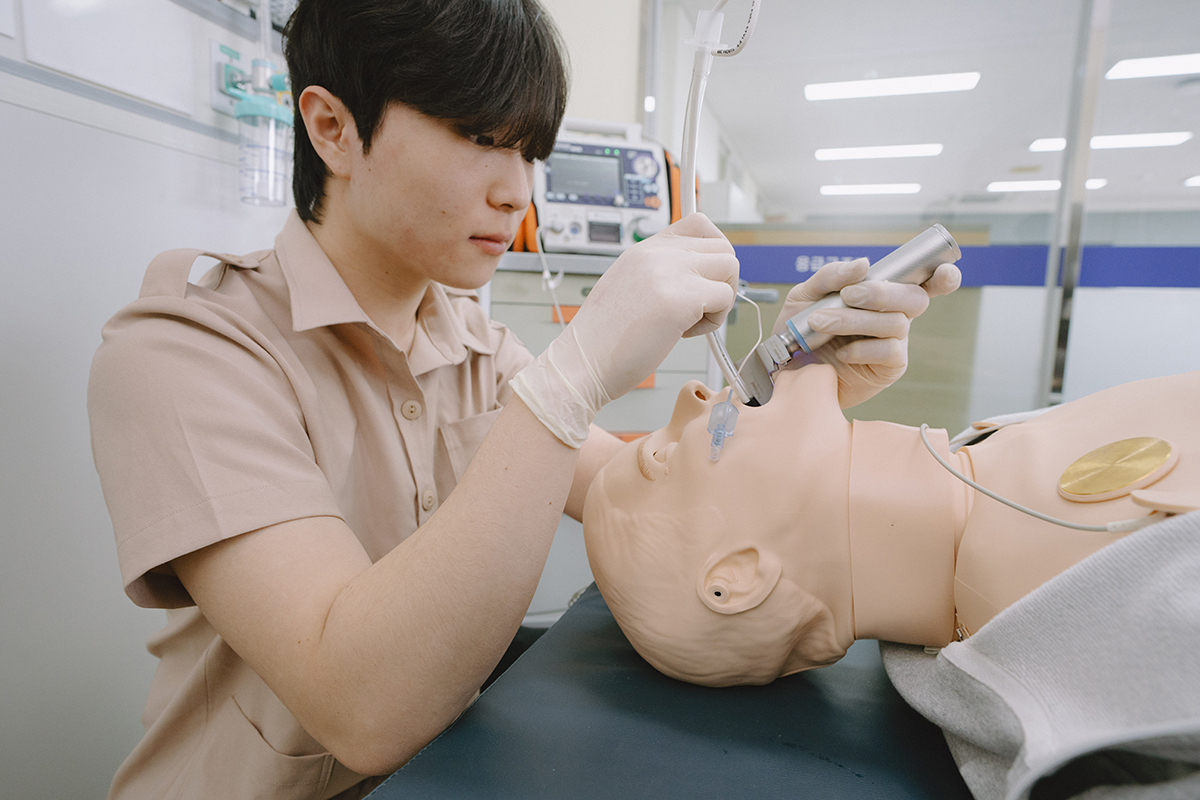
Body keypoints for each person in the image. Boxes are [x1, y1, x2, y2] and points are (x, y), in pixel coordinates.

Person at [86, 1, 959, 798]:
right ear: (332, 128)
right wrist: (568, 379)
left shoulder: (470, 338)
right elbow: (364, 710)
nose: (517, 192)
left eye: (529, 152)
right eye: (478, 137)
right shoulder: (188, 349)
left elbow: (647, 491)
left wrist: (790, 376)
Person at [582, 365, 1200, 799]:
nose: (692, 396)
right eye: (660, 458)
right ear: (737, 577)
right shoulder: (1065, 699)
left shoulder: (984, 452)